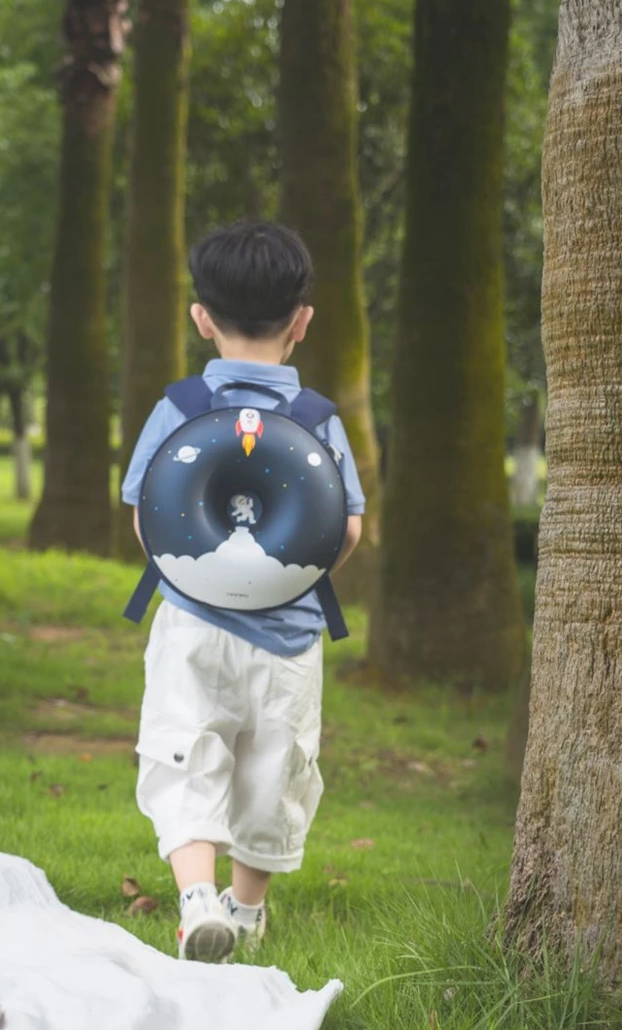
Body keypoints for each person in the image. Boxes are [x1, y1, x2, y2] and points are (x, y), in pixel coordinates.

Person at [122, 220, 365, 963]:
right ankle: (247, 910)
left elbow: (146, 517)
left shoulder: (178, 406)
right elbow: (348, 529)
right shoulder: (320, 419)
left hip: (192, 627)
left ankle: (196, 899)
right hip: (288, 639)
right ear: (303, 320)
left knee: (182, 749)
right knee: (274, 769)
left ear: (202, 317)